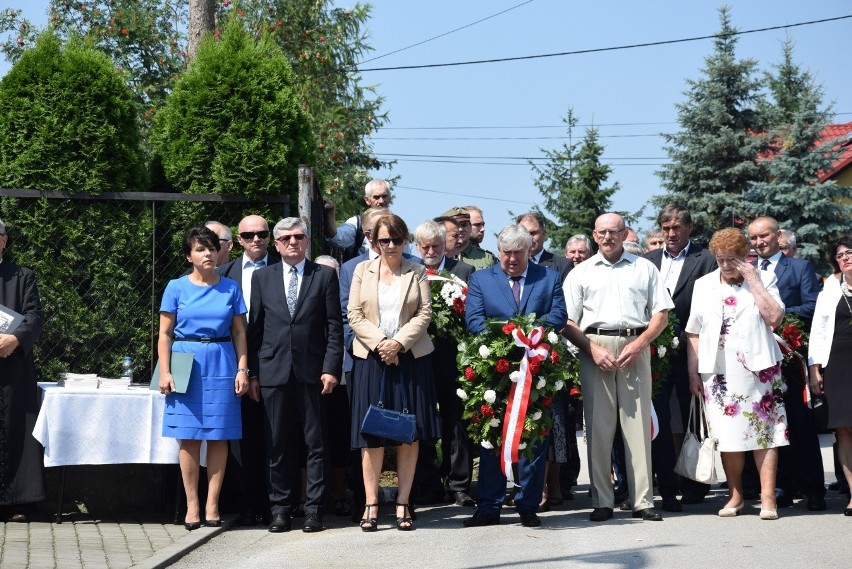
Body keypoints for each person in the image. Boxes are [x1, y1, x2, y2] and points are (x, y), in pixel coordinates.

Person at [563, 213, 673, 523]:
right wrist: (591, 348)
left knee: (637, 427)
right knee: (598, 427)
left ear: (625, 234)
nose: (608, 237)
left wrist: (640, 345)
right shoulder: (580, 273)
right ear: (594, 236)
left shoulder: (644, 269)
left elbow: (661, 314)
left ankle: (643, 500)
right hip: (594, 347)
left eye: (614, 231)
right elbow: (567, 321)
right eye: (602, 232)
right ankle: (602, 500)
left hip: (635, 347)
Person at [463, 224, 567, 529]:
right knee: (493, 436)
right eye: (506, 253)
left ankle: (528, 504)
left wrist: (529, 337)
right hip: (495, 371)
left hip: (536, 370)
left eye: (517, 253)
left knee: (534, 435)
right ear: (498, 252)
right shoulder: (482, 279)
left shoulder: (548, 278)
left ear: (529, 251)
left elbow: (558, 316)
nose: (511, 259)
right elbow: (474, 320)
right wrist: (512, 337)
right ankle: (489, 506)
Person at [247, 218, 343, 533]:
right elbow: (256, 329)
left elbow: (333, 327)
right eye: (286, 238)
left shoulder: (324, 276)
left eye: (298, 237)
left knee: (315, 443)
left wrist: (331, 368)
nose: (292, 242)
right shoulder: (263, 278)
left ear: (307, 241)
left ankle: (314, 509)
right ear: (275, 244)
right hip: (273, 372)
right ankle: (280, 509)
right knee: (277, 443)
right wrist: (254, 374)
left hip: (312, 373)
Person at [685, 227, 787, 520]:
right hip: (718, 374)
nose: (727, 265)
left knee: (765, 434)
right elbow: (693, 332)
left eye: (733, 259)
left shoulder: (764, 278)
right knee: (727, 436)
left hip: (759, 370)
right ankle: (736, 495)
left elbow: (775, 318)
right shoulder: (704, 284)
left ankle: (768, 498)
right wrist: (694, 373)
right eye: (721, 260)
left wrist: (754, 281)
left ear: (745, 256)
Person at [347, 213, 440, 531]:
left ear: (405, 240)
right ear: (373, 241)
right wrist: (381, 344)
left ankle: (403, 503)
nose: (390, 245)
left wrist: (398, 343)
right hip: (371, 359)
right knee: (372, 433)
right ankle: (371, 503)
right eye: (383, 240)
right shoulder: (362, 270)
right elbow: (354, 314)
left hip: (410, 359)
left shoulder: (417, 271)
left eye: (396, 239)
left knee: (407, 433)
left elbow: (425, 312)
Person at [157, 226, 250, 530]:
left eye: (211, 248)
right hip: (185, 362)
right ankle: (192, 505)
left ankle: (213, 505)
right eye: (200, 249)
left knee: (219, 435)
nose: (208, 253)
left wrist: (242, 368)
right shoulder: (175, 287)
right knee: (189, 437)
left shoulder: (231, 288)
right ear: (189, 256)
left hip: (222, 362)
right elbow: (164, 334)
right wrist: (166, 370)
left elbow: (238, 331)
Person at [748, 216, 825, 511]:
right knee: (772, 426)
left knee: (800, 426)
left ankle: (813, 489)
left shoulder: (800, 267)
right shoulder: (748, 270)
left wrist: (776, 314)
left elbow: (811, 306)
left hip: (790, 358)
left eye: (763, 236)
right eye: (753, 238)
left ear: (778, 236)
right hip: (760, 360)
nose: (758, 242)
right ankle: (783, 487)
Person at [644, 204, 717, 509]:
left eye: (676, 228)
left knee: (694, 417)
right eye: (666, 227)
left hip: (693, 351)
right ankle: (667, 485)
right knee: (658, 418)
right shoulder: (647, 262)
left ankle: (695, 484)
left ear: (689, 228)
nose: (670, 233)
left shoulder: (706, 259)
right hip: (656, 352)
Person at [216, 214, 279, 526]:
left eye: (262, 233)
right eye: (249, 235)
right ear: (237, 241)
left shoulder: (283, 270)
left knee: (273, 435)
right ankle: (245, 505)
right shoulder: (223, 274)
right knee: (240, 438)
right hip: (233, 366)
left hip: (274, 364)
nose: (257, 239)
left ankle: (274, 505)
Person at [413, 220, 476, 507]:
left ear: (445, 245)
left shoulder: (463, 272)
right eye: (424, 246)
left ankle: (459, 483)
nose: (430, 251)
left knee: (456, 420)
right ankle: (427, 484)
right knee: (422, 420)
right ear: (417, 246)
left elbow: (473, 314)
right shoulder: (409, 271)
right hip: (418, 358)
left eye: (435, 246)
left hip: (452, 357)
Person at [0, 218, 45, 522]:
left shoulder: (23, 276)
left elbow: (34, 315)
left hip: (12, 364)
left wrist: (15, 339)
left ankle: (16, 501)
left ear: (5, 240)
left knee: (14, 426)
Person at [808, 236, 852, 516]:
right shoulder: (830, 290)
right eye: (840, 255)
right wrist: (815, 369)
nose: (845, 257)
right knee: (844, 428)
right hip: (838, 364)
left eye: (850, 252)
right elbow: (818, 330)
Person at [324, 179, 392, 257]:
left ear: (390, 197)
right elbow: (336, 238)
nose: (381, 201)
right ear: (367, 200)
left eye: (384, 196)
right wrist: (330, 212)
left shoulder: (398, 225)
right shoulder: (357, 223)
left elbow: (406, 257)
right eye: (376, 197)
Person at [516, 212, 572, 283]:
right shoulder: (509, 266)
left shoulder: (562, 266)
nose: (529, 238)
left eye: (533, 233)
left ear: (544, 234)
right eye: (524, 233)